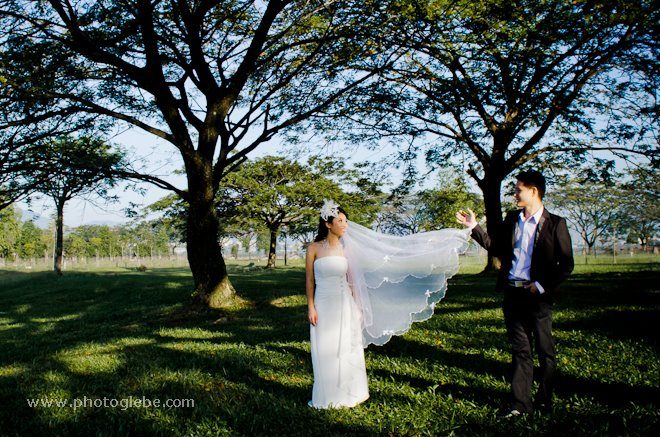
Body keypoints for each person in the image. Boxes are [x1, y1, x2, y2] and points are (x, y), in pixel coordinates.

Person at [307, 199, 470, 409]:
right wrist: (311, 306)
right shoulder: (313, 248)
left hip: (344, 302)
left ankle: (349, 394)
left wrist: (358, 306)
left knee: (346, 347)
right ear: (328, 224)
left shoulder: (346, 248)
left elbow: (353, 280)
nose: (345, 225)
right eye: (340, 221)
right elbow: (309, 280)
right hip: (322, 303)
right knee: (324, 347)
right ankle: (326, 396)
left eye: (346, 221)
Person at [456, 170, 574, 417]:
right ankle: (520, 404)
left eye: (519, 189)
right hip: (512, 294)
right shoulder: (512, 219)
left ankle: (544, 400)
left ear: (534, 191)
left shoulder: (556, 224)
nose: (515, 194)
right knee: (520, 350)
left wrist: (541, 285)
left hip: (538, 297)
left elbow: (566, 264)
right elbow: (495, 246)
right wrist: (474, 226)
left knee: (545, 350)